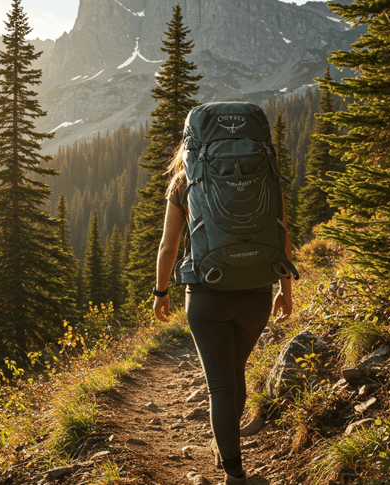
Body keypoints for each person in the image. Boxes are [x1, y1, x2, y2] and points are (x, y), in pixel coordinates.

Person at [153, 143, 295, 485]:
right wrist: (285, 291)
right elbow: (282, 237)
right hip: (257, 294)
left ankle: (234, 473)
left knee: (220, 384)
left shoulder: (184, 181)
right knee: (235, 370)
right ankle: (225, 446)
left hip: (206, 296)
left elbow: (169, 246)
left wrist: (160, 291)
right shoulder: (265, 178)